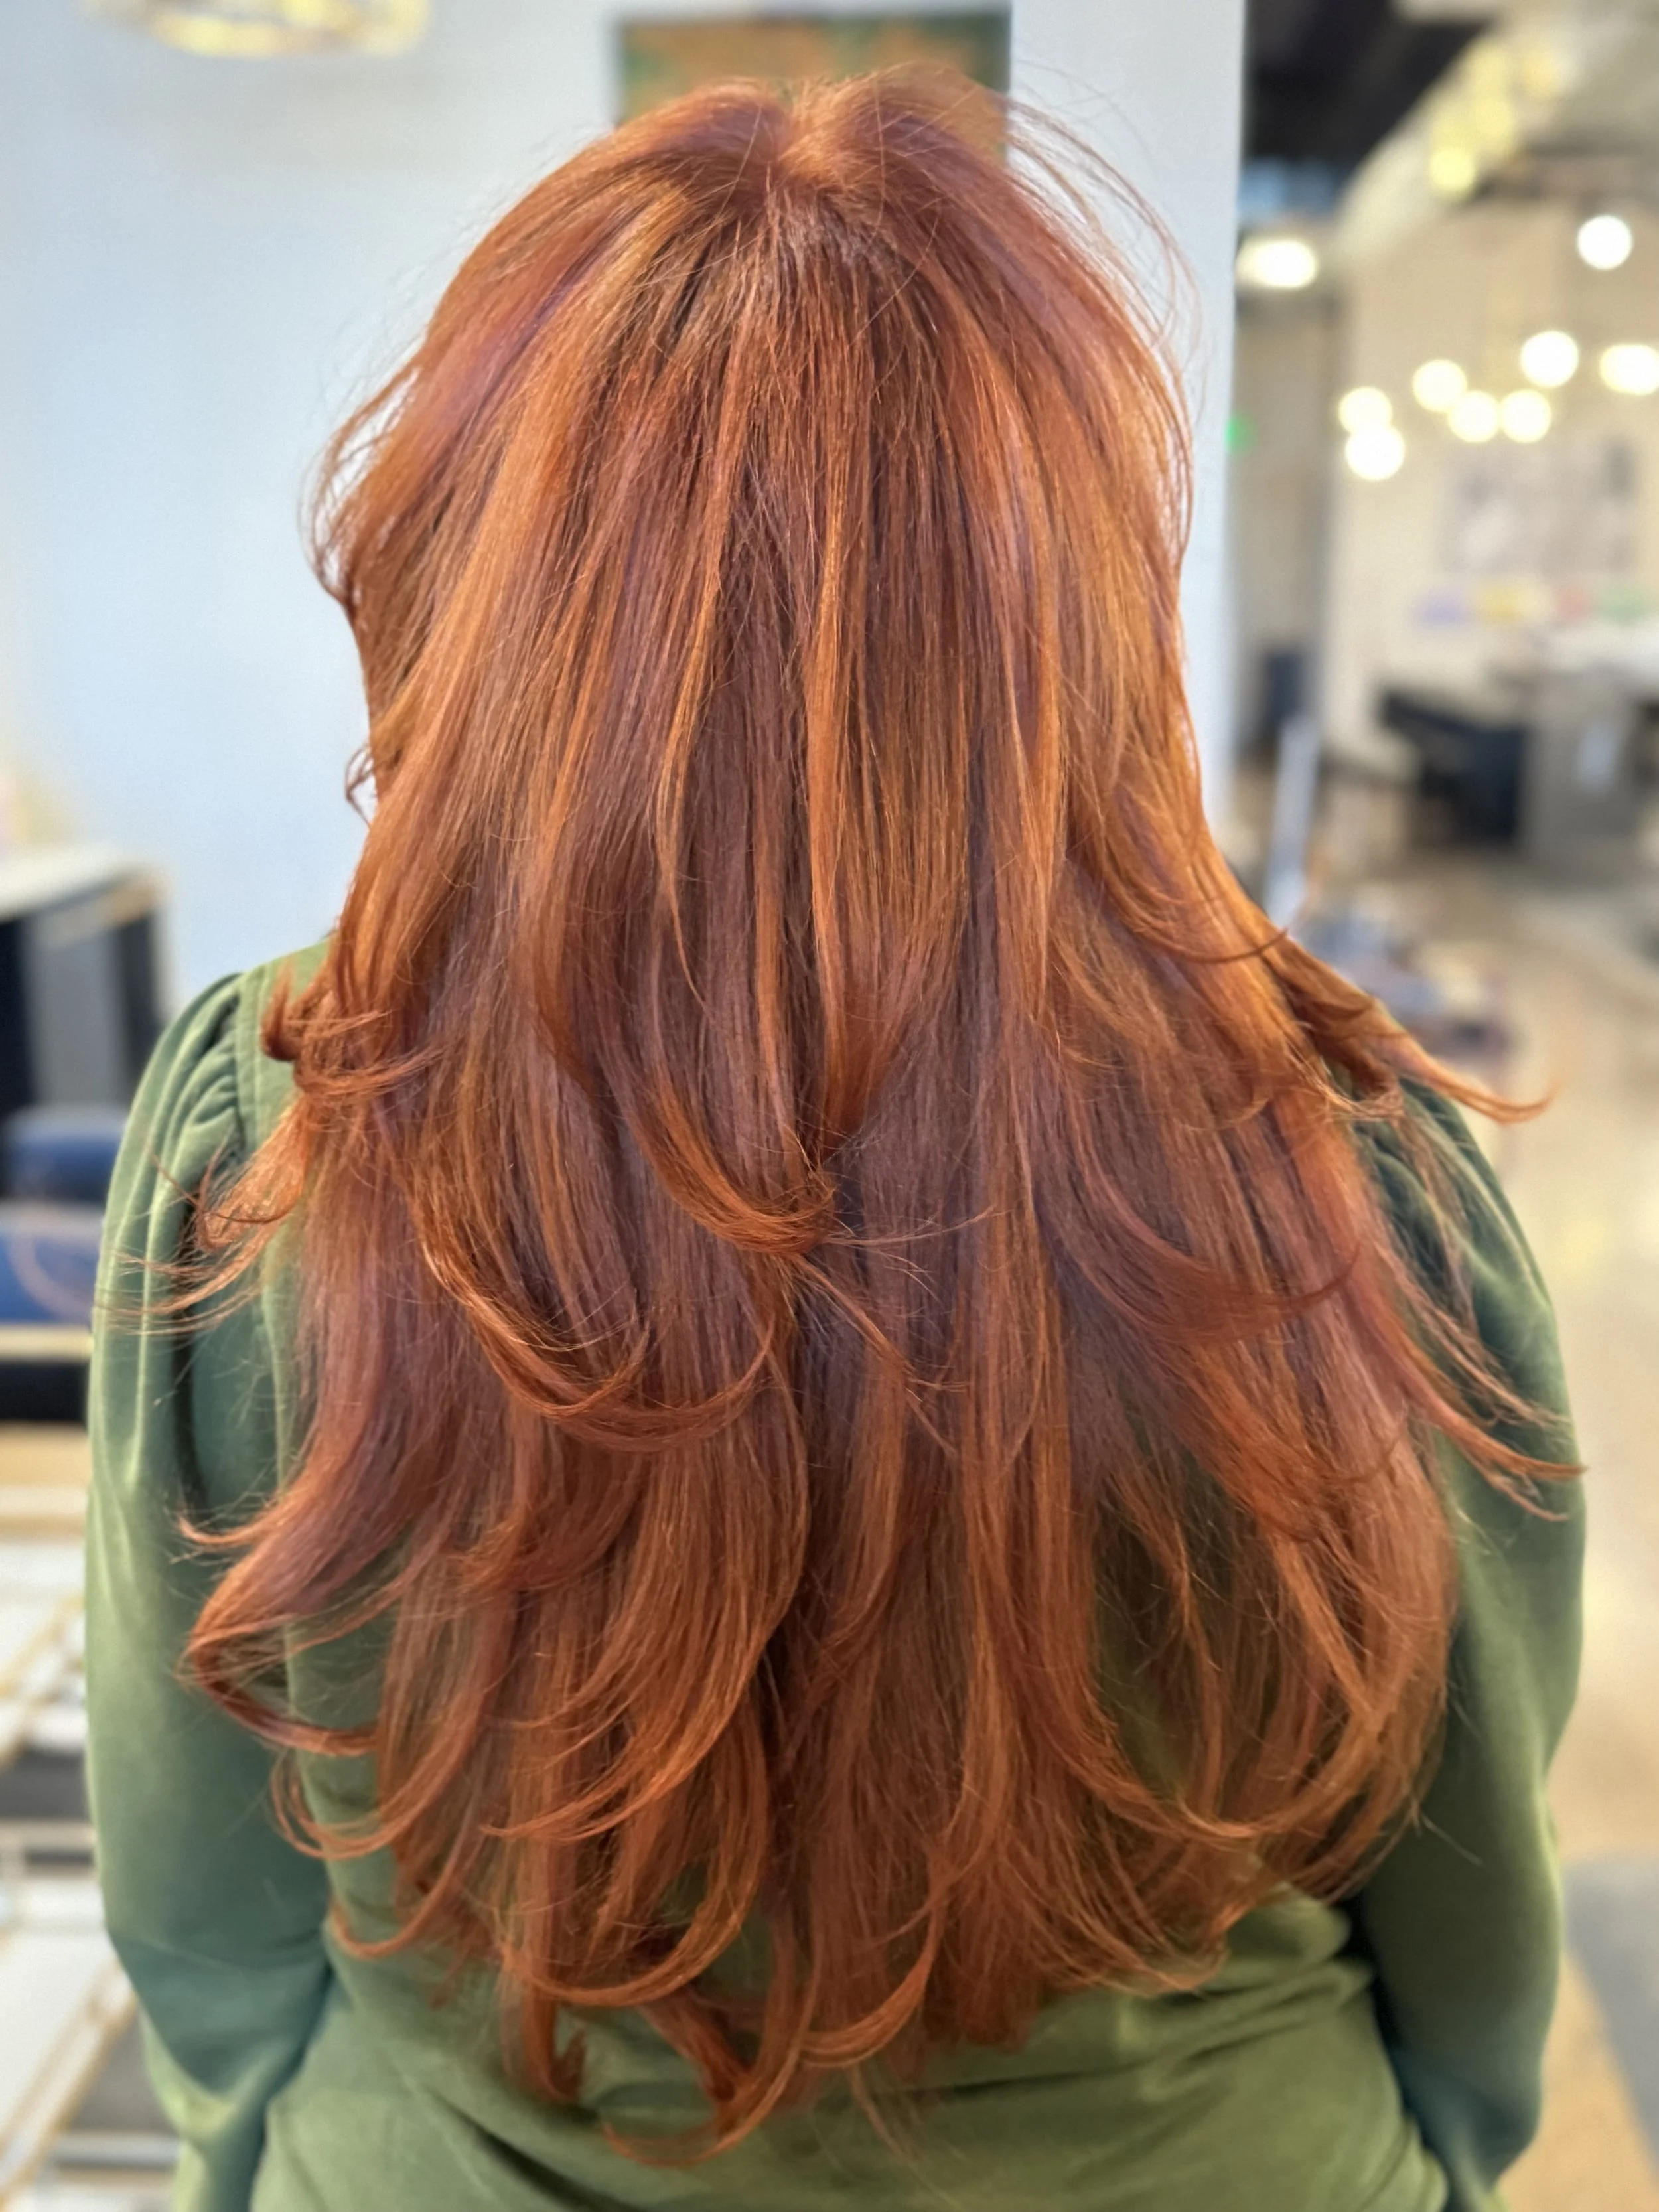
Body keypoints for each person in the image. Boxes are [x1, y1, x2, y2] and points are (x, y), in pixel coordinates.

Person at [88, 74, 1582, 2212]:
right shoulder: (1346, 1165)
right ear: (1074, 610)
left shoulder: (274, 1122)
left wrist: (294, 2159)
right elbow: (1469, 1935)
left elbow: (205, 1907)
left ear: (477, 585)